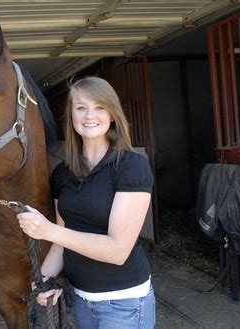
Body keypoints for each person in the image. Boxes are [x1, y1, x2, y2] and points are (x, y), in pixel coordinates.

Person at [17, 76, 155, 328]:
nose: (89, 115)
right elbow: (61, 242)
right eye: (81, 107)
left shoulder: (131, 167)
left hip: (123, 303)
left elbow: (118, 251)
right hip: (81, 300)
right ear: (71, 116)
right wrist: (43, 280)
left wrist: (48, 230)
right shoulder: (62, 174)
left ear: (112, 114)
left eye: (99, 107)